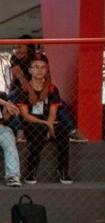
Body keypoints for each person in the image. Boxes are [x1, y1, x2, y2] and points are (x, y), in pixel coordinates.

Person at [9, 36, 86, 143]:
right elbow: (22, 78)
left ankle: (72, 130)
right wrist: (31, 93)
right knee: (12, 102)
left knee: (60, 103)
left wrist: (45, 90)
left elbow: (48, 77)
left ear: (28, 47)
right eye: (15, 48)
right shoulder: (14, 59)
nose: (17, 50)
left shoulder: (40, 57)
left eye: (20, 47)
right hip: (21, 89)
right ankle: (19, 131)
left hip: (40, 87)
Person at [15, 53, 72, 185]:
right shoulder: (23, 89)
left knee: (63, 133)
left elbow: (53, 112)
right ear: (30, 70)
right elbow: (25, 115)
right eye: (36, 67)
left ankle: (63, 170)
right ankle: (31, 170)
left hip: (48, 121)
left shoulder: (52, 89)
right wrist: (46, 124)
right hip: (31, 123)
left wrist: (50, 123)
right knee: (39, 132)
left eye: (43, 67)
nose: (39, 70)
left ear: (47, 70)